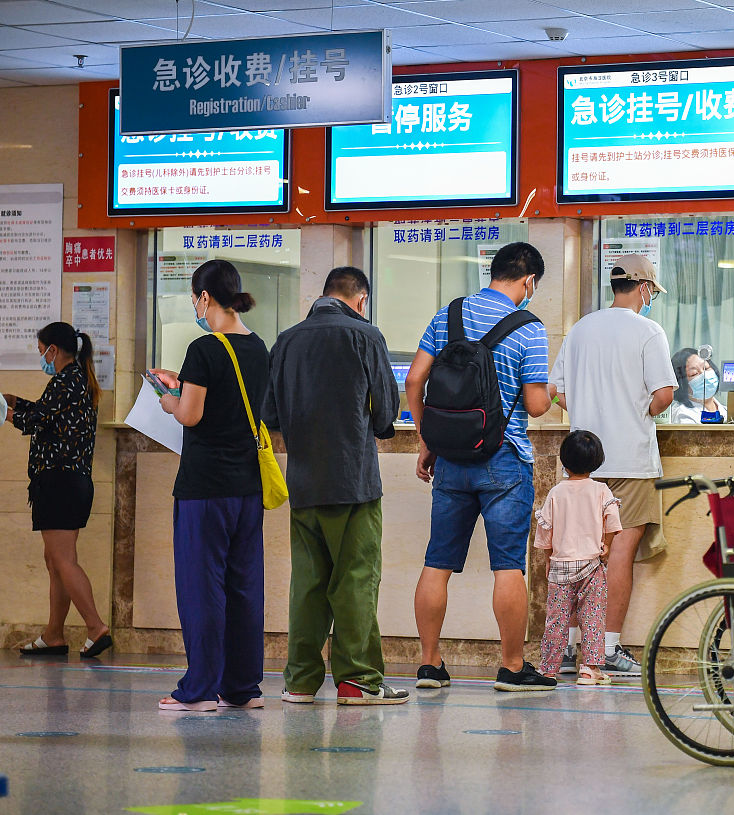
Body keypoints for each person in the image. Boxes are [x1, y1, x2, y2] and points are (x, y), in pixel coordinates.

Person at [408, 242, 556, 692]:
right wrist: (551, 391)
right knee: (507, 566)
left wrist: (428, 439)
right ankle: (512, 667)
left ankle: (430, 664)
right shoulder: (530, 329)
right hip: (504, 459)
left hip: (451, 459)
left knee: (437, 562)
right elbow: (534, 403)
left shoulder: (447, 316)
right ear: (528, 280)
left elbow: (415, 380)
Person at [261, 267, 407, 706]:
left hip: (304, 483)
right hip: (353, 483)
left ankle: (301, 682)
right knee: (356, 580)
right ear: (360, 299)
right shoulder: (365, 336)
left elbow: (269, 415)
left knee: (307, 583)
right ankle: (357, 680)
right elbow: (385, 417)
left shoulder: (286, 339)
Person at [548, 254, 677, 677]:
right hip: (630, 460)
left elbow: (556, 392)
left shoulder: (581, 329)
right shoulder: (648, 330)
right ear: (643, 288)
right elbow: (663, 395)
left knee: (573, 551)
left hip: (581, 460)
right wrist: (636, 412)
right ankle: (605, 648)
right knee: (618, 554)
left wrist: (590, 410)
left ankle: (568, 650)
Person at [151, 259, 269, 712]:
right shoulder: (257, 347)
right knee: (242, 587)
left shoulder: (204, 348)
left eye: (194, 298)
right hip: (247, 487)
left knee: (203, 587)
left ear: (204, 297)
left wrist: (169, 398)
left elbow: (191, 415)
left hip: (205, 488)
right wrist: (185, 386)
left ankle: (198, 689)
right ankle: (240, 688)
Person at [6, 322, 110, 659]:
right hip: (68, 481)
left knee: (63, 560)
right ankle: (54, 635)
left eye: (41, 351)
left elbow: (35, 421)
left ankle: (95, 628)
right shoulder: (73, 380)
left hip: (59, 481)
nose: (42, 358)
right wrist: (14, 401)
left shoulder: (67, 380)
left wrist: (6, 413)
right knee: (54, 561)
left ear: (54, 349)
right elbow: (44, 414)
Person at [535, 431, 621, 685]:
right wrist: (605, 546)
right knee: (593, 617)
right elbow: (613, 523)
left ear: (564, 460)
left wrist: (549, 556)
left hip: (561, 566)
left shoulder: (556, 492)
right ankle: (590, 668)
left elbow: (545, 529)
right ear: (597, 460)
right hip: (591, 566)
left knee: (556, 619)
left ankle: (549, 667)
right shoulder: (601, 491)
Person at [668, 347, 727, 424]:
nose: (704, 375)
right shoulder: (683, 415)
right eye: (694, 373)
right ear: (681, 385)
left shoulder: (726, 411)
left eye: (706, 368)